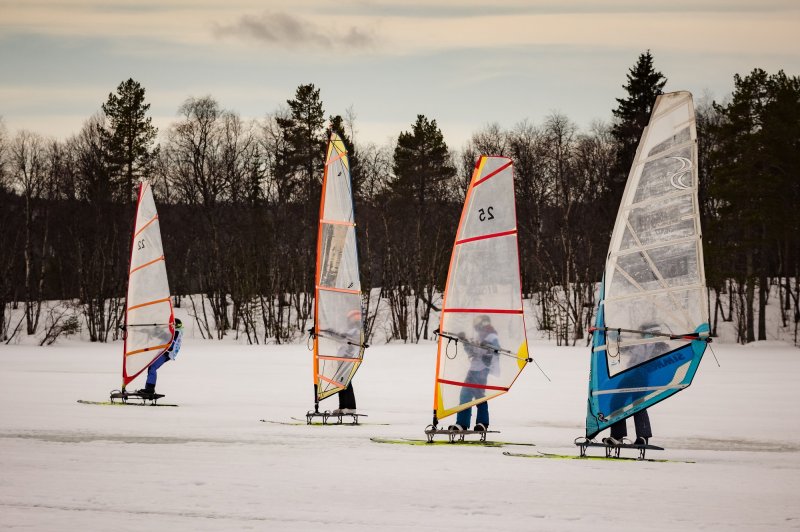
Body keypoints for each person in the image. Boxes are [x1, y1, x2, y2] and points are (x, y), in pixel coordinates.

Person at [602, 322, 667, 446]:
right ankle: (617, 436)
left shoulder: (660, 345)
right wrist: (615, 337)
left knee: (638, 405)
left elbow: (667, 355)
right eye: (642, 334)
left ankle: (643, 437)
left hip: (642, 377)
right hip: (629, 376)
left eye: (645, 334)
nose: (642, 336)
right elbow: (624, 348)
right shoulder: (638, 345)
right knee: (616, 402)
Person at [451, 314, 500, 432]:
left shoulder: (492, 336)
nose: (476, 325)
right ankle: (461, 423)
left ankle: (482, 423)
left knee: (479, 396)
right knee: (465, 395)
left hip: (482, 370)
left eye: (478, 322)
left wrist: (489, 350)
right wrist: (464, 341)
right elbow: (471, 352)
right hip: (473, 369)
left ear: (483, 323)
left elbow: (496, 351)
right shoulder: (479, 336)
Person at [138, 318, 183, 397]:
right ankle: (148, 388)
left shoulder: (176, 332)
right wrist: (151, 331)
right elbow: (164, 336)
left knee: (152, 367)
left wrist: (167, 350)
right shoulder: (176, 332)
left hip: (166, 353)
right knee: (151, 367)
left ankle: (149, 389)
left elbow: (172, 342)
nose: (171, 326)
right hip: (167, 353)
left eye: (172, 324)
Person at [331, 309, 361, 415]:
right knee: (341, 382)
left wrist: (330, 333)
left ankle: (350, 407)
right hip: (343, 359)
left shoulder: (356, 331)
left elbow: (342, 336)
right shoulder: (352, 330)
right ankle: (343, 406)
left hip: (347, 360)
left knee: (346, 383)